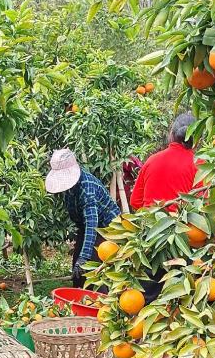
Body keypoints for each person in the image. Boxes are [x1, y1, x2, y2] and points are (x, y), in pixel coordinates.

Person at [45, 149, 120, 288]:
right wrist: (80, 258)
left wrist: (84, 257)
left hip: (108, 228)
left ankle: (99, 303)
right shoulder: (70, 189)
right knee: (78, 269)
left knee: (96, 267)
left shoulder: (87, 189)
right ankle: (78, 298)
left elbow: (93, 225)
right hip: (86, 226)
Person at [130, 112, 201, 211]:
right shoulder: (199, 165)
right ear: (197, 140)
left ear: (171, 134)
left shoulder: (152, 160)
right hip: (182, 225)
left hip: (150, 223)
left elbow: (135, 201)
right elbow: (201, 205)